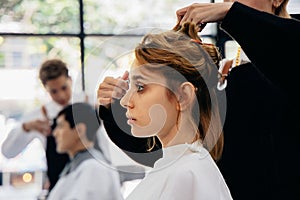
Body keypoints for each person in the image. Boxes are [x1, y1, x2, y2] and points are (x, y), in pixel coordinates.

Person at [98, 1, 299, 199]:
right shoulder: (234, 74)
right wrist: (113, 109)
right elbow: (168, 140)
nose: (228, 1)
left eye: (140, 87)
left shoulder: (286, 57)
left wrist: (232, 13)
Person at [175, 1, 300, 199]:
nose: (229, 2)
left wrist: (232, 12)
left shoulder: (292, 51)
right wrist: (118, 107)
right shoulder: (228, 72)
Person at [102, 22, 232, 200]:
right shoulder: (183, 166)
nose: (124, 101)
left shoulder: (184, 174)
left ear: (183, 96)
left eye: (140, 87)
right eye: (130, 86)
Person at [1, 59, 110, 192]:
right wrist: (26, 128)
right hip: (61, 187)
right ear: (45, 89)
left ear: (70, 79)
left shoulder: (91, 104)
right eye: (54, 91)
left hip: (98, 181)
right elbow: (8, 152)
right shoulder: (39, 117)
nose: (61, 95)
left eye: (64, 88)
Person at [46, 102, 122, 200]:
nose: (55, 133)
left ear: (79, 130)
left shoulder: (94, 168)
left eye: (60, 126)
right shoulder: (78, 166)